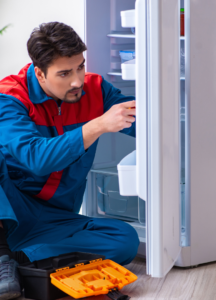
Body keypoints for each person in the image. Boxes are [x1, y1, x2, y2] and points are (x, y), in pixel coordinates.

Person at [0, 22, 139, 300]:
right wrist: (96, 126)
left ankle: (20, 260)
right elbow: (36, 158)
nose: (77, 81)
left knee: (125, 241)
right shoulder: (9, 98)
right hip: (12, 211)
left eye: (80, 67)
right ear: (39, 73)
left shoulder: (97, 90)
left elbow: (142, 122)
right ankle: (2, 256)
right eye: (64, 73)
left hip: (57, 219)